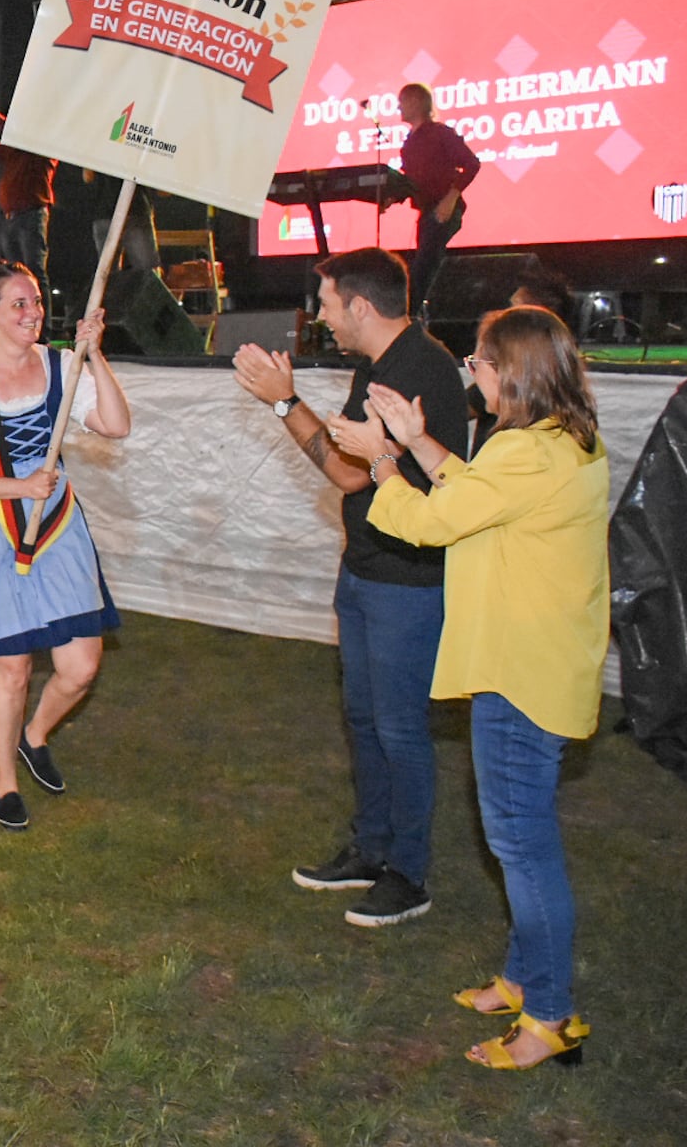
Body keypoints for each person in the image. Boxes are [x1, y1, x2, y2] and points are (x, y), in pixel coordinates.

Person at [359, 306, 608, 1070]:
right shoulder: (555, 442)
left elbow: (439, 521)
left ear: (514, 372)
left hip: (519, 674)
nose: (473, 373)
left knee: (523, 848)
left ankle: (550, 1017)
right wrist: (417, 439)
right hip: (536, 664)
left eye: (480, 362)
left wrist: (383, 468)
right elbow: (478, 491)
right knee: (518, 836)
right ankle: (524, 978)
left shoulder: (527, 455)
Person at [233, 246, 469, 927]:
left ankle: (408, 873)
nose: (322, 316)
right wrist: (287, 408)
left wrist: (285, 405)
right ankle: (371, 849)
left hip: (408, 581)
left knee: (399, 727)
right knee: (365, 719)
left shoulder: (417, 370)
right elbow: (348, 467)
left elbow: (348, 475)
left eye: (329, 303)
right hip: (367, 569)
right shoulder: (383, 365)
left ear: (361, 306)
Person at [0, 259, 131, 830]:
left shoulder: (63, 365)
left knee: (81, 667)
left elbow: (115, 425)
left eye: (36, 302)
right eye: (18, 303)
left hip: (59, 525)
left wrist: (96, 353)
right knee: (11, 669)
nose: (32, 313)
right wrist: (18, 484)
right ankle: (5, 781)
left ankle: (34, 736)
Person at [467, 270, 575, 458]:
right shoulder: (565, 383)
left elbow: (458, 410)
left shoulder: (521, 447)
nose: (504, 316)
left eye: (513, 310)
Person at [398, 82, 481, 311]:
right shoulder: (410, 143)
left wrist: (451, 196)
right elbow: (412, 182)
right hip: (427, 211)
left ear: (416, 102)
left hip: (443, 208)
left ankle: (413, 317)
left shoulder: (440, 133)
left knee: (425, 267)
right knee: (423, 267)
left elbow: (471, 164)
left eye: (402, 101)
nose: (398, 107)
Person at [0, 99, 60, 292]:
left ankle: (44, 322)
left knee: (34, 271)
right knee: (13, 274)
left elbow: (18, 136)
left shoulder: (42, 147)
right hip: (11, 217)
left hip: (32, 214)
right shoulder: (14, 150)